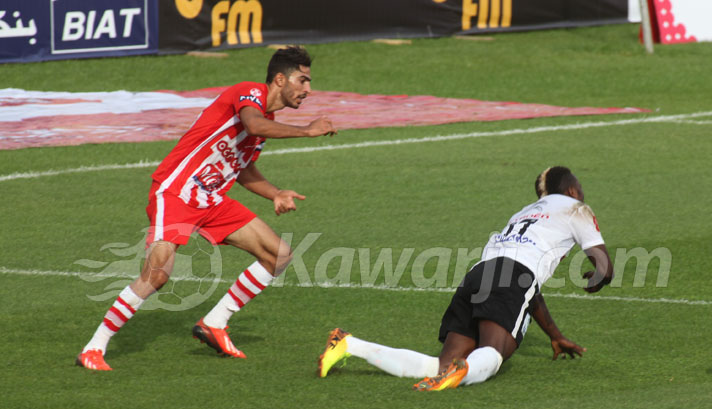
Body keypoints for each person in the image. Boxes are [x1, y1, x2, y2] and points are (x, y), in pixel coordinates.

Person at [76, 46, 337, 371]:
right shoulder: (249, 94)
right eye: (303, 81)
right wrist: (307, 130)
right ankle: (94, 348)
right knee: (157, 274)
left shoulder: (267, 120)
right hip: (177, 192)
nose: (308, 90)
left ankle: (215, 322)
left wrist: (274, 193)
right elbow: (253, 125)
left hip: (211, 200)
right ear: (280, 79)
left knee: (278, 255)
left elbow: (242, 169)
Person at [318, 166, 613, 390]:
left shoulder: (523, 213)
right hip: (514, 276)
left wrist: (556, 336)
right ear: (572, 190)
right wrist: (600, 276)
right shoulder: (576, 209)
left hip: (480, 273)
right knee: (493, 354)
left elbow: (528, 293)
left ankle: (349, 345)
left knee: (440, 364)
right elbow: (603, 264)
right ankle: (461, 374)